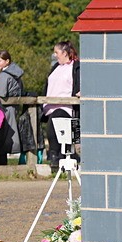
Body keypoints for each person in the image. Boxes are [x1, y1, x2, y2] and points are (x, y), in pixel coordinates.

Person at [43, 41, 80, 170]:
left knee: (56, 123)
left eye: (57, 52)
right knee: (53, 124)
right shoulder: (56, 67)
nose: (55, 55)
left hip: (67, 107)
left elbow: (79, 83)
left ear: (64, 53)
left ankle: (54, 154)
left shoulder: (75, 66)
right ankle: (59, 155)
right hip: (51, 106)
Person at [0, 50, 25, 165]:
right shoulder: (15, 75)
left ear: (7, 61)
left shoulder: (5, 76)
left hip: (3, 111)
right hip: (11, 110)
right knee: (6, 139)